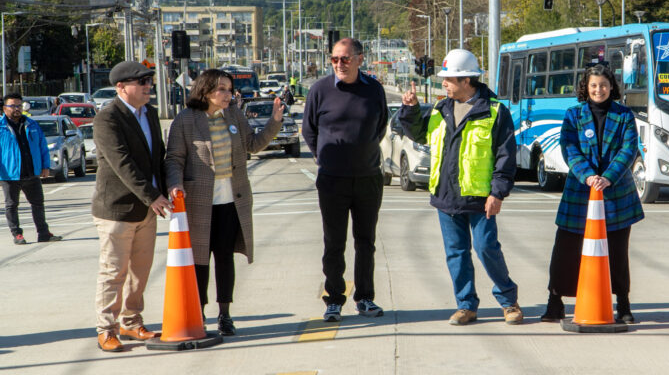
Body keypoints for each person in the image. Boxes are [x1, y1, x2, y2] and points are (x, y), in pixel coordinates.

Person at [399, 49, 522, 326]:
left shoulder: (495, 112)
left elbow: (506, 156)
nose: (443, 83)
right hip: (447, 197)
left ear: (467, 80)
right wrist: (410, 109)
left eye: (449, 79)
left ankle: (509, 302)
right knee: (456, 254)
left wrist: (497, 193)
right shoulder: (441, 109)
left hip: (480, 198)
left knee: (486, 248)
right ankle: (466, 305)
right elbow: (418, 133)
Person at [165, 69, 283, 336]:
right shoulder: (185, 120)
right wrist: (175, 184)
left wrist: (274, 122)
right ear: (205, 91)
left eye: (229, 90)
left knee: (225, 259)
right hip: (198, 201)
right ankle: (199, 313)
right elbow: (174, 159)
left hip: (232, 199)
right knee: (199, 261)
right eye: (222, 89)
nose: (228, 95)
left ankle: (225, 314)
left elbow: (252, 145)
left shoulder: (234, 115)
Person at [541, 65, 643, 323]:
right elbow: (569, 148)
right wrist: (588, 175)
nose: (599, 90)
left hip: (616, 192)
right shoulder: (573, 115)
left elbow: (629, 149)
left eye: (604, 85)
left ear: (612, 87)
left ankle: (623, 302)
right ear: (586, 87)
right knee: (566, 248)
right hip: (580, 191)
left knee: (617, 251)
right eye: (594, 85)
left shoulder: (624, 115)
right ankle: (555, 301)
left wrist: (608, 177)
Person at [302, 38, 388, 322]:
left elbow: (380, 125)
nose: (339, 64)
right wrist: (324, 157)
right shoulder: (320, 90)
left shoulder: (374, 89)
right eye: (335, 59)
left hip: (368, 179)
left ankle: (364, 298)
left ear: (360, 59)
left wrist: (362, 154)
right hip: (332, 180)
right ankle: (334, 299)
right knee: (334, 242)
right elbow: (309, 130)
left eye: (346, 59)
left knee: (366, 242)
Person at [92, 61, 172, 352]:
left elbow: (157, 158)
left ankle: (131, 321)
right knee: (114, 271)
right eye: (141, 82)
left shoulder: (149, 114)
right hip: (117, 209)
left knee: (140, 271)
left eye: (149, 81)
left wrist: (163, 191)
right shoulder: (107, 118)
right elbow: (122, 164)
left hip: (147, 209)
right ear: (121, 87)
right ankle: (106, 328)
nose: (148, 86)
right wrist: (153, 196)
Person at [0, 92, 61, 244]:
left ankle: (43, 233)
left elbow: (42, 147)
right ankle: (17, 234)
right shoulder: (1, 128)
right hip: (10, 175)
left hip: (31, 173)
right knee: (11, 205)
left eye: (19, 105)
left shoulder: (31, 125)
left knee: (38, 204)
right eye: (12, 106)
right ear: (4, 108)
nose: (17, 109)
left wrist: (45, 166)